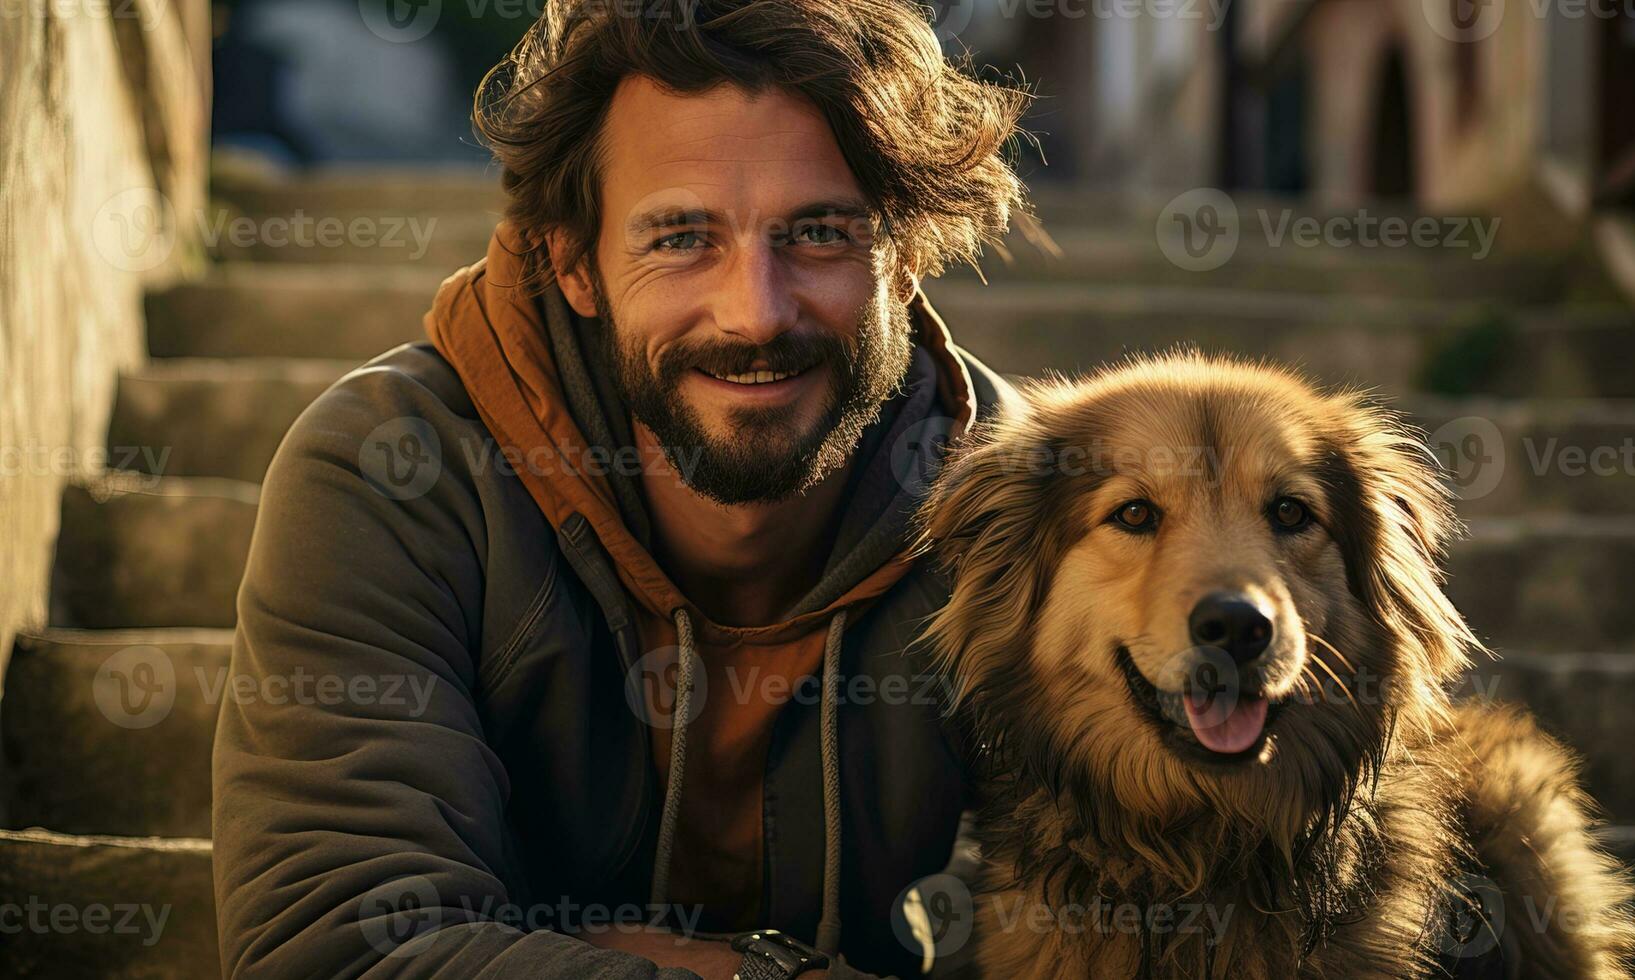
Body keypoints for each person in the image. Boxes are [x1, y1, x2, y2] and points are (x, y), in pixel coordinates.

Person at [210, 1, 1030, 977]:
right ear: (574, 263)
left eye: (816, 231)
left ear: (902, 257)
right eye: (681, 237)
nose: (754, 312)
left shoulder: (1028, 518)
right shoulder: (395, 475)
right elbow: (335, 949)